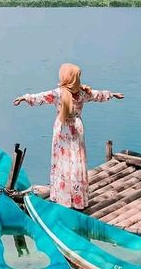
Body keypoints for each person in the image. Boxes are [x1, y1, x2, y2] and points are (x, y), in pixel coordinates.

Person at [14, 62, 124, 210]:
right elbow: (98, 95)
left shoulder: (59, 93)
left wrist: (24, 98)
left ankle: (63, 197)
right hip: (76, 129)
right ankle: (78, 199)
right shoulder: (82, 93)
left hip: (62, 128)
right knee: (76, 161)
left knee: (62, 161)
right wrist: (111, 94)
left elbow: (40, 97)